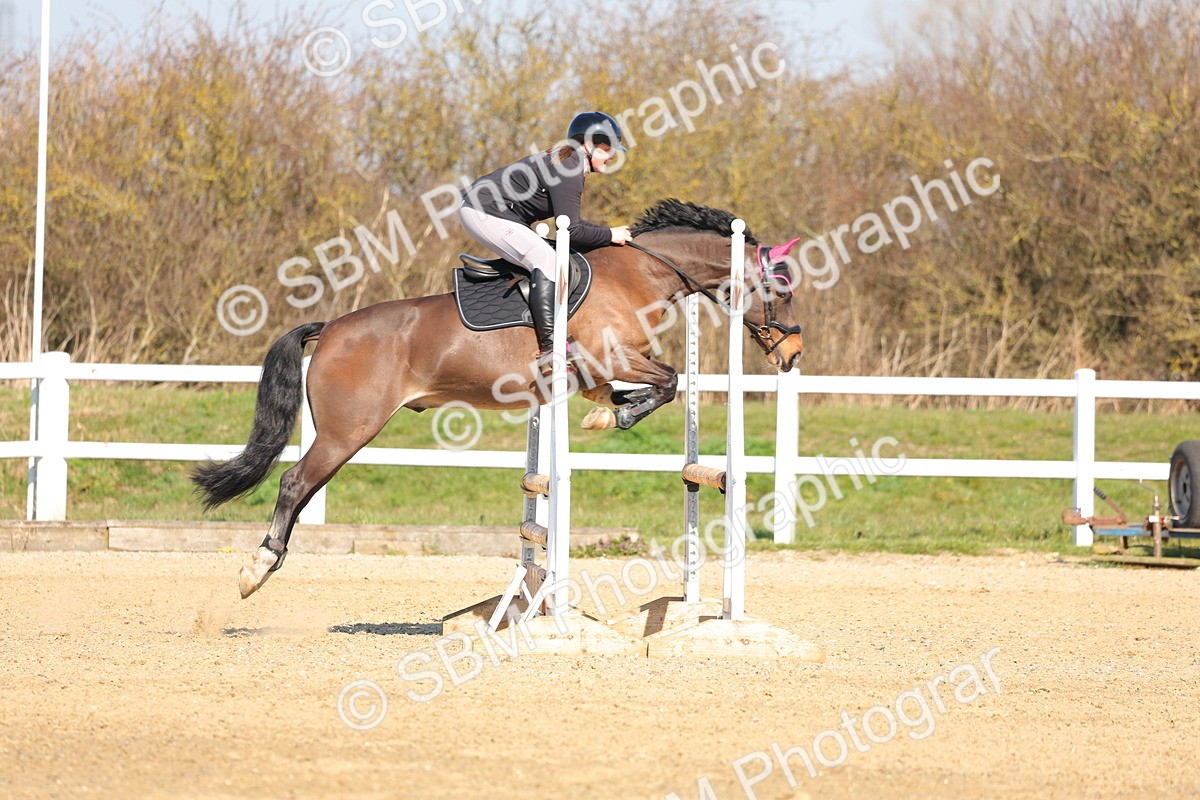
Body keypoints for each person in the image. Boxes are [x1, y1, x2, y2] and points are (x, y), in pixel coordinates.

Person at [459, 111, 633, 373]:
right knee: (548, 261)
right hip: (484, 211)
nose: (612, 156)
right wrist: (610, 235)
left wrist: (609, 234)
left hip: (486, 210)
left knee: (548, 254)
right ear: (588, 145)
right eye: (607, 149)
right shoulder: (569, 167)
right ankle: (551, 350)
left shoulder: (569, 161)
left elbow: (569, 225)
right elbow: (572, 230)